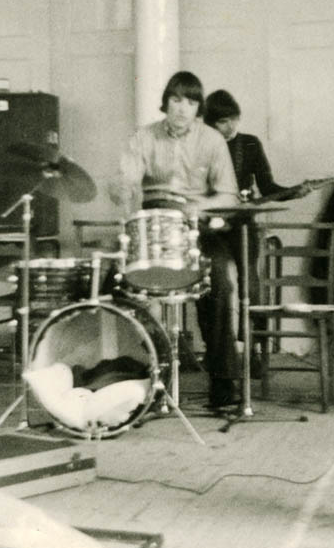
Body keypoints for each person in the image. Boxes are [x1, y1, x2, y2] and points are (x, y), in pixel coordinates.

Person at [118, 72, 242, 408]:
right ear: (166, 103)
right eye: (176, 100)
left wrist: (197, 205)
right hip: (155, 223)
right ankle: (156, 376)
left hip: (198, 226)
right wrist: (123, 186)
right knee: (136, 289)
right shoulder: (144, 137)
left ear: (199, 107)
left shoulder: (212, 140)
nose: (182, 108)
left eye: (190, 101)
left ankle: (223, 379)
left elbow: (229, 196)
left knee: (219, 283)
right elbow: (127, 182)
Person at [203, 89, 314, 379]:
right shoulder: (200, 145)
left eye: (234, 120)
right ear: (209, 123)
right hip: (209, 227)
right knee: (215, 285)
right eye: (223, 122)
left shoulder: (249, 144)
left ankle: (253, 349)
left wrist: (293, 193)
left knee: (251, 284)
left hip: (241, 223)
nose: (231, 127)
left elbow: (267, 187)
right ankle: (221, 356)